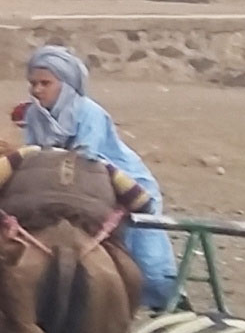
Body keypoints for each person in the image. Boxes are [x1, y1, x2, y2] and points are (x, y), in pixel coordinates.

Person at [15, 43, 180, 309]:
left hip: (119, 182)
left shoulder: (89, 112)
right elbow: (34, 154)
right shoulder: (35, 115)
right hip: (72, 184)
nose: (37, 90)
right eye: (33, 83)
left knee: (148, 264)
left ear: (66, 83)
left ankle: (172, 304)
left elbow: (86, 157)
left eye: (45, 83)